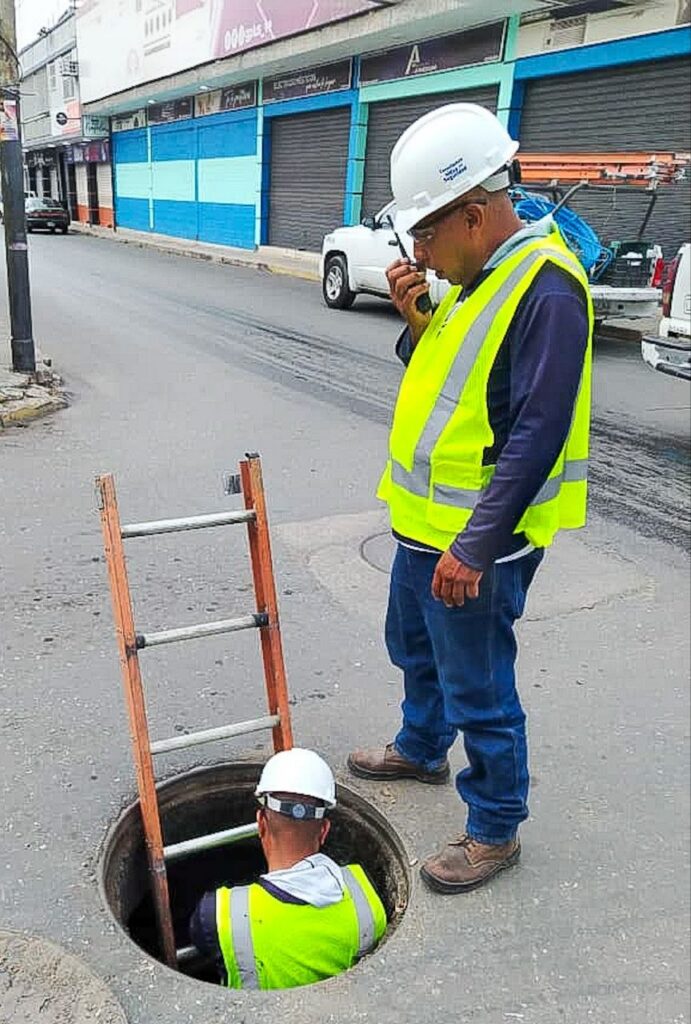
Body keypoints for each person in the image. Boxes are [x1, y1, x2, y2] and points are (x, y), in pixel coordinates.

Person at [348, 103, 593, 895]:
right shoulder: (473, 274)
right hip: (424, 523)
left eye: (424, 234)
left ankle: (493, 827)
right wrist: (416, 320)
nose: (418, 252)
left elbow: (536, 430)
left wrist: (474, 548)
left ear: (475, 214)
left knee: (479, 687)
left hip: (477, 541)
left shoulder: (546, 289)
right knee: (414, 647)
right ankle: (421, 747)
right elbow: (454, 382)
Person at [189, 748, 386, 989]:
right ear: (324, 830)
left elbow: (201, 942)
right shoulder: (365, 898)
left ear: (261, 823)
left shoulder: (216, 915)